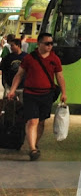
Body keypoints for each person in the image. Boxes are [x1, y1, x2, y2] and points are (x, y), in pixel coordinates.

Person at [7, 33, 66, 161]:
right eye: (47, 43)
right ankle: (33, 148)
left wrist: (64, 93)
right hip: (31, 94)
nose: (50, 46)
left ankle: (35, 143)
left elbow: (59, 76)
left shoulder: (55, 59)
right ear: (39, 44)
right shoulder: (29, 58)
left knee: (41, 122)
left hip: (47, 95)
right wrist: (12, 90)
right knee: (32, 120)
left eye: (51, 43)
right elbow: (19, 75)